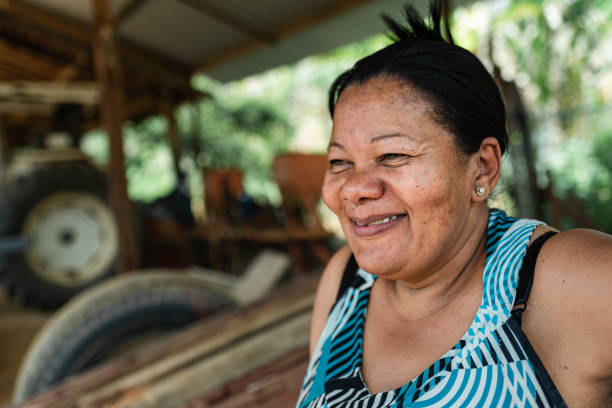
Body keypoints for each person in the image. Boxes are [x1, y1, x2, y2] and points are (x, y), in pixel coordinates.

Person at [296, 1, 612, 407]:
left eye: (392, 156)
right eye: (340, 162)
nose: (354, 188)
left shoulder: (561, 281)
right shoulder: (345, 281)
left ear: (481, 168)